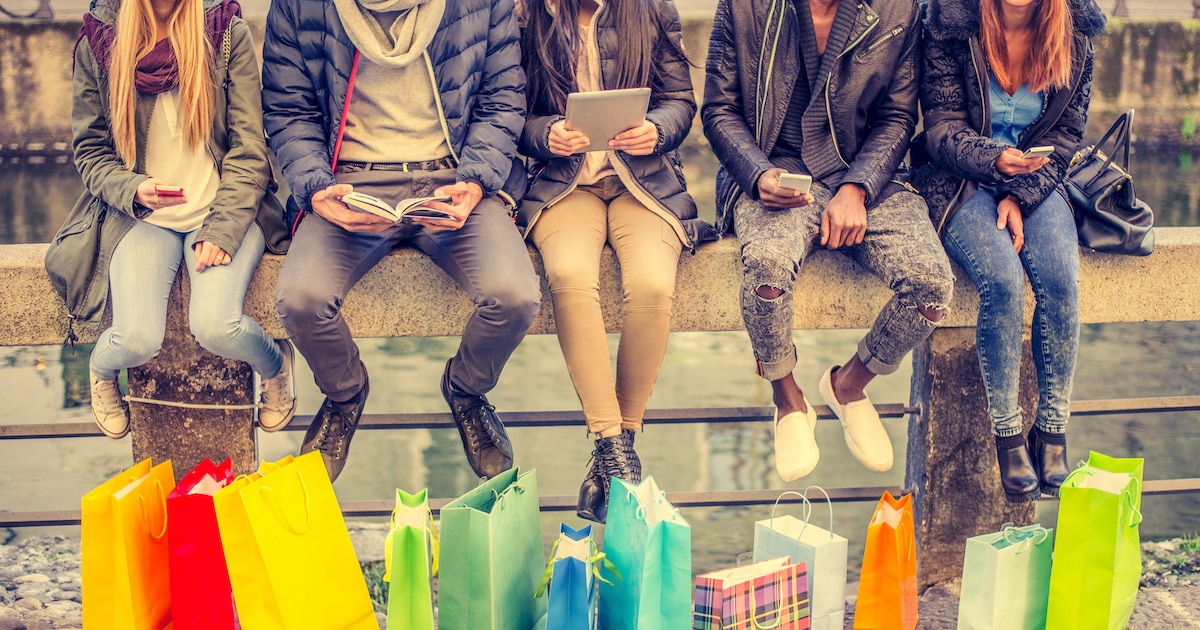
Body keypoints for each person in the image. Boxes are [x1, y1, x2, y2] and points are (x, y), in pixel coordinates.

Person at [262, 0, 540, 482]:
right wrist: (315, 188)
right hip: (347, 183)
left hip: (452, 180)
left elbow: (504, 99)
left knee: (515, 297)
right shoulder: (298, 5)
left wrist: (475, 182)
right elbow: (288, 111)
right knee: (301, 300)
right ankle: (345, 393)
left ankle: (466, 389)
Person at [701, 0, 954, 480]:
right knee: (767, 269)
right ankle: (787, 397)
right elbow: (718, 110)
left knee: (931, 287)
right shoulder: (743, 6)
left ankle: (849, 385)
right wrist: (757, 175)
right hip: (774, 175)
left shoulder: (900, 8)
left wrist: (857, 187)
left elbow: (899, 117)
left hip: (865, 178)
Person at [50, 0, 296, 440]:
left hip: (225, 209)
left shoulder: (224, 33)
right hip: (144, 218)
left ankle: (275, 364)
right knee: (135, 339)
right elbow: (90, 151)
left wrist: (222, 228)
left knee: (217, 327)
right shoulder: (100, 43)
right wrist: (133, 190)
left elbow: (250, 150)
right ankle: (102, 371)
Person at [515, 0, 716, 522]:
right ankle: (616, 449)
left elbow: (679, 101)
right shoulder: (526, 14)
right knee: (569, 274)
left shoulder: (651, 10)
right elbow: (508, 113)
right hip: (564, 186)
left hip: (641, 182)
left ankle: (614, 447)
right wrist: (546, 135)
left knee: (652, 283)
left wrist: (657, 129)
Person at [913, 0, 1104, 502]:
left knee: (1061, 278)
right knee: (1001, 278)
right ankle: (1008, 433)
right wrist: (996, 164)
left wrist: (1021, 193)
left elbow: (1065, 135)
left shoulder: (1077, 32)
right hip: (959, 179)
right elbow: (940, 129)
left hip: (1037, 182)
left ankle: (1053, 429)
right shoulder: (950, 22)